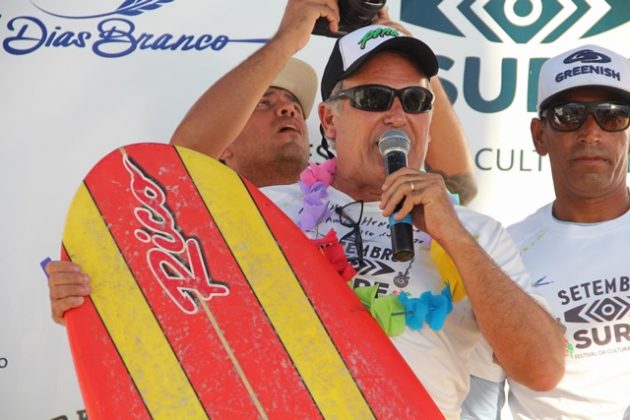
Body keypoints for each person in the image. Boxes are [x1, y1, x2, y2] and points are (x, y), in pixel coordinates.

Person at [47, 4, 563, 418]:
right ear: (330, 121)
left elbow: (542, 369)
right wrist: (88, 291)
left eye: (414, 100)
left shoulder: (476, 233)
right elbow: (168, 182)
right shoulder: (263, 213)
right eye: (375, 97)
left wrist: (454, 236)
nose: (397, 113)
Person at [464, 44, 630, 419]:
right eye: (569, 116)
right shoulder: (502, 254)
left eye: (613, 116)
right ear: (539, 136)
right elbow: (479, 404)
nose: (591, 132)